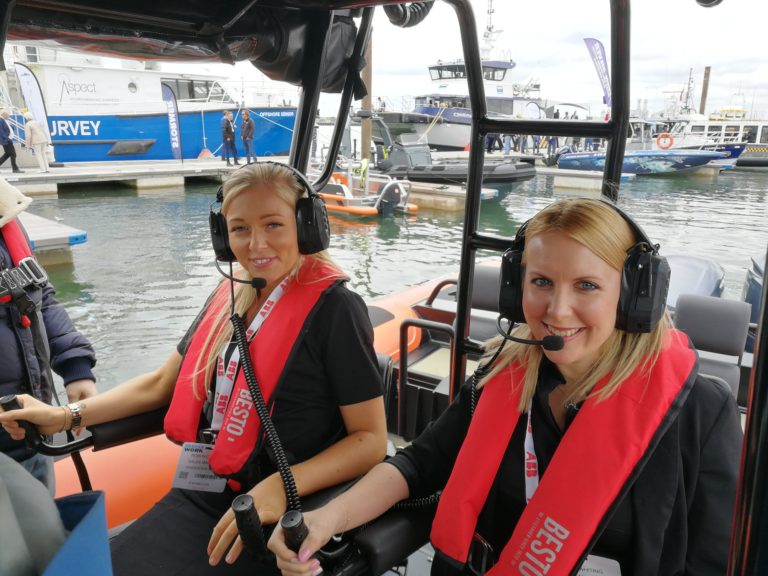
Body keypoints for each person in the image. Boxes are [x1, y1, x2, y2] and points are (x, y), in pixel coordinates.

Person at [268, 197, 742, 576]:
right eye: (541, 282)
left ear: (636, 296)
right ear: (517, 290)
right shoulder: (501, 375)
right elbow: (417, 465)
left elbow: (713, 559)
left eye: (587, 286)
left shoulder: (700, 412)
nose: (557, 310)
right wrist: (326, 518)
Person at [0, 162, 387, 575]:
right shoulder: (231, 294)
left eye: (274, 224)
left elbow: (370, 440)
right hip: (204, 493)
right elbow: (162, 383)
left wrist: (278, 486)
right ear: (223, 236)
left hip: (286, 512)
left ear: (307, 226)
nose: (256, 244)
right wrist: (63, 416)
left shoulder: (337, 310)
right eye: (239, 229)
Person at [0, 177, 96, 495]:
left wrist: (75, 367)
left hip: (31, 438)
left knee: (41, 532)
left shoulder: (8, 219)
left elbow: (41, 297)